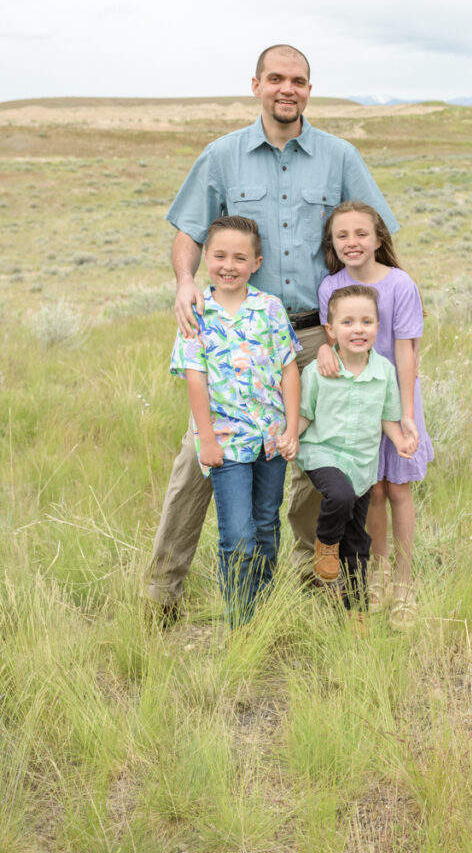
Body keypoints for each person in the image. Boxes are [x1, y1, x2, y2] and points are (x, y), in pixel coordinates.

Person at [146, 44, 398, 614]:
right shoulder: (222, 155)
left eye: (300, 81)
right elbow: (188, 232)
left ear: (310, 89)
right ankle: (162, 590)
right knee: (198, 459)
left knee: (318, 457)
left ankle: (314, 583)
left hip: (315, 337)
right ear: (256, 84)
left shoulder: (339, 157)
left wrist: (373, 323)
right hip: (239, 336)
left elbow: (371, 241)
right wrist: (186, 282)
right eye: (277, 79)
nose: (289, 89)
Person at [169, 215, 300, 627]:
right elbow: (195, 379)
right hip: (225, 444)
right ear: (206, 257)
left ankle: (262, 608)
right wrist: (205, 440)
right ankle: (238, 619)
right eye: (220, 255)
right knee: (238, 535)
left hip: (271, 440)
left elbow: (289, 369)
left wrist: (292, 428)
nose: (229, 265)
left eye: (239, 258)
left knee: (266, 525)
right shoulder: (197, 312)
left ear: (256, 263)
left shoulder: (270, 308)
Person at [316, 201, 433, 629]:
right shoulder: (331, 286)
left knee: (398, 487)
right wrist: (327, 352)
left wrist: (406, 414)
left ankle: (404, 583)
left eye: (361, 234)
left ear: (379, 239)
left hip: (397, 394)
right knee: (373, 490)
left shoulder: (400, 285)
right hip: (357, 399)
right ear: (332, 243)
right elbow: (333, 334)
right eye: (342, 235)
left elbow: (406, 350)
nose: (352, 243)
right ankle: (378, 574)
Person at [296, 285, 416, 622]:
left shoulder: (384, 373)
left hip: (363, 464)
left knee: (358, 542)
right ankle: (325, 542)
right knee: (339, 495)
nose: (358, 329)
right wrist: (289, 437)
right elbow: (305, 414)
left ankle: (356, 612)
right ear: (331, 330)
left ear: (378, 327)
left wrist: (400, 440)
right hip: (324, 454)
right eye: (348, 322)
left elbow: (388, 418)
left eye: (366, 321)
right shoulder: (316, 373)